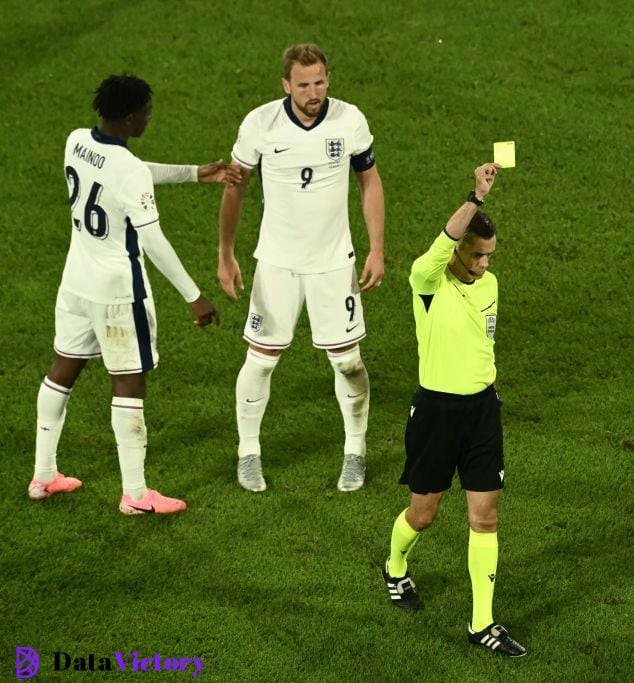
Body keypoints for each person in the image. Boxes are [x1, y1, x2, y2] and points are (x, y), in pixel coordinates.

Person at [29, 74, 228, 514]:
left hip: (75, 282)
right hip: (119, 292)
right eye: (147, 112)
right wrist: (194, 295)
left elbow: (125, 172)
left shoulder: (77, 139)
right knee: (129, 382)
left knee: (63, 368)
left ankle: (44, 475)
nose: (150, 118)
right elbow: (153, 239)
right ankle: (136, 495)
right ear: (131, 116)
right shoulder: (129, 171)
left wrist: (194, 174)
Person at [218, 43, 386, 493]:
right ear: (286, 84)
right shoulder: (260, 124)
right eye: (304, 84)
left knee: (348, 361)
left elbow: (369, 181)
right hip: (277, 263)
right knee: (261, 360)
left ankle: (355, 451)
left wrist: (376, 248)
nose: (314, 92)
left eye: (320, 82)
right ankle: (248, 452)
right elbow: (234, 189)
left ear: (328, 78)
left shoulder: (349, 121)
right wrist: (226, 252)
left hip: (334, 263)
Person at [381, 163, 526, 658]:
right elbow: (442, 241)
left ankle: (481, 623)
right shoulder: (428, 280)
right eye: (477, 254)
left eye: (489, 256)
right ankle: (395, 567)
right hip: (437, 413)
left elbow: (484, 345)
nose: (484, 264)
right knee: (424, 514)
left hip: (482, 411)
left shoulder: (491, 286)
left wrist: (492, 390)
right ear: (459, 248)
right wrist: (477, 197)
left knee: (485, 517)